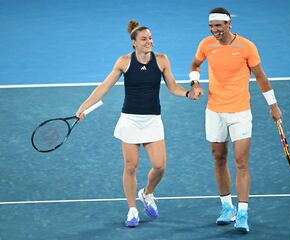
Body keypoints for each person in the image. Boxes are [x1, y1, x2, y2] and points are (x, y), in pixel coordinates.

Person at [76, 19, 201, 228]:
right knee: (130, 166)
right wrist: (83, 106)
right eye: (144, 39)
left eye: (150, 38)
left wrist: (188, 93)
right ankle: (132, 209)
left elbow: (172, 87)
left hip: (152, 120)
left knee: (160, 166)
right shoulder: (124, 61)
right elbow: (104, 87)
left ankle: (147, 193)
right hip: (130, 121)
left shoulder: (161, 60)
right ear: (133, 42)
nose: (149, 42)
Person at [189, 7, 282, 233]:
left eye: (218, 26)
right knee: (219, 158)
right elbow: (195, 65)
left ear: (229, 24)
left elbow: (260, 77)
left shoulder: (246, 47)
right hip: (214, 111)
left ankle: (242, 212)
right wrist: (195, 83)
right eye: (211, 27)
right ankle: (226, 207)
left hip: (240, 112)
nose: (215, 31)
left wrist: (273, 105)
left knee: (241, 162)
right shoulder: (206, 44)